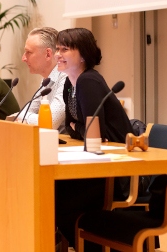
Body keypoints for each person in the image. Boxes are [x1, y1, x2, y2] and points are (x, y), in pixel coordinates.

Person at [53, 28, 134, 249]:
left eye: (65, 49)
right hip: (97, 158)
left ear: (83, 55)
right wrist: (79, 127)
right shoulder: (70, 84)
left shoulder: (89, 81)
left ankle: (89, 246)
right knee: (54, 191)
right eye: (57, 48)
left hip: (114, 168)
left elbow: (95, 133)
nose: (58, 53)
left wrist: (78, 127)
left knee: (59, 196)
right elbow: (75, 129)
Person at [14, 27, 67, 132]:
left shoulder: (66, 77)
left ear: (48, 54)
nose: (23, 58)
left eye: (28, 52)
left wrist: (25, 119)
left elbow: (49, 123)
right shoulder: (46, 80)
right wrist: (26, 118)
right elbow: (25, 113)